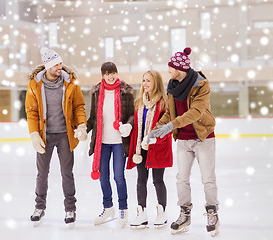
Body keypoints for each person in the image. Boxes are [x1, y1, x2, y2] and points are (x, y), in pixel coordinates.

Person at [146, 47, 219, 236]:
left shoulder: (201, 84)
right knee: (181, 179)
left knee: (208, 179)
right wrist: (157, 128)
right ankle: (185, 214)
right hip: (184, 139)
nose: (168, 70)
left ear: (180, 68)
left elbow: (196, 112)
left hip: (203, 136)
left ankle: (212, 212)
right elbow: (170, 113)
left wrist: (170, 126)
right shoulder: (172, 86)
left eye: (170, 67)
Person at [25, 47, 87, 225]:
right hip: (45, 136)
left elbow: (78, 106)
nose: (60, 66)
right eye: (56, 64)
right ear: (47, 66)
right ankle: (39, 207)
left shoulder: (70, 82)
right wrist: (34, 134)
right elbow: (31, 111)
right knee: (42, 173)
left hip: (65, 135)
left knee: (67, 173)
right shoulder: (35, 84)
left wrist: (81, 125)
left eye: (60, 63)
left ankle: (70, 209)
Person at [87, 62, 134, 227]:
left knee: (119, 177)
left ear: (116, 73)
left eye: (113, 72)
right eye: (107, 73)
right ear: (102, 75)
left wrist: (128, 125)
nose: (110, 76)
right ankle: (108, 208)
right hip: (102, 143)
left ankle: (123, 209)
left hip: (119, 142)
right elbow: (93, 117)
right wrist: (82, 129)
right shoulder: (96, 93)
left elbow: (131, 115)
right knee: (103, 177)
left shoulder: (126, 92)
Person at [126, 70, 173, 229]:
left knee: (158, 180)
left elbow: (167, 127)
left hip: (157, 147)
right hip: (141, 148)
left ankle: (162, 211)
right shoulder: (139, 102)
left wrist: (153, 139)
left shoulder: (164, 103)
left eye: (149, 81)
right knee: (141, 180)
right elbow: (136, 121)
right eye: (144, 80)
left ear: (156, 83)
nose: (145, 84)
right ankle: (142, 213)